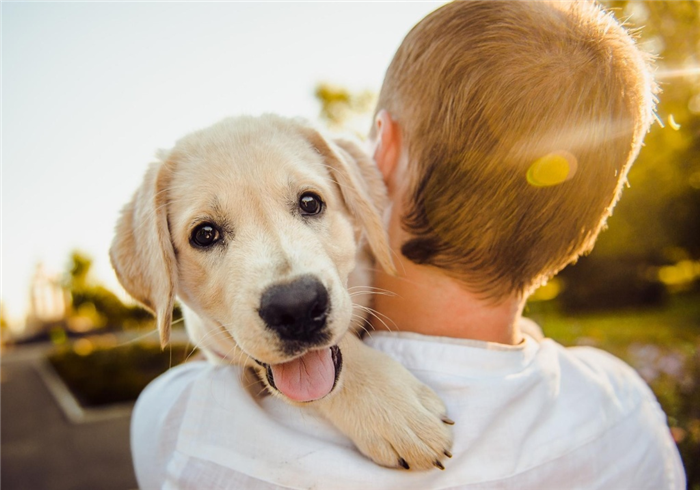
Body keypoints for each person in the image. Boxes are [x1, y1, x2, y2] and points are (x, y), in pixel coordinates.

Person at [131, 1, 686, 488]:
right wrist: (350, 379)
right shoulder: (626, 409)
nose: (290, 282)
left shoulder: (181, 426)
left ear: (381, 155)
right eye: (208, 235)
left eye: (308, 204)